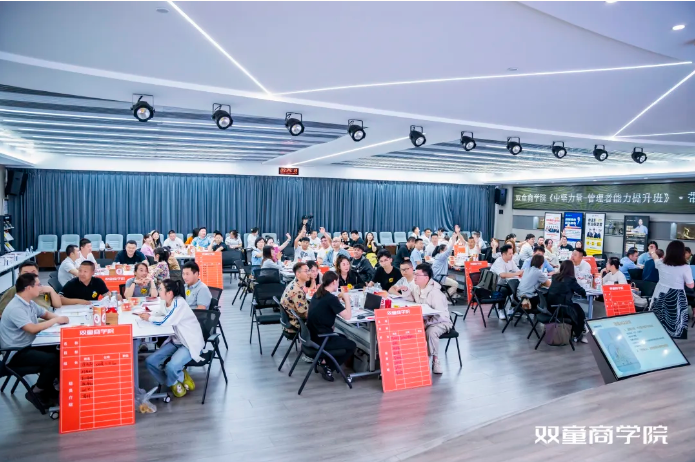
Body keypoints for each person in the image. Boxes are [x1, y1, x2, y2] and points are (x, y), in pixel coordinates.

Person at [0, 273, 69, 409]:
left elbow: (45, 314)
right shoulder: (16, 308)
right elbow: (32, 329)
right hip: (16, 352)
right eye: (38, 285)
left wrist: (60, 319)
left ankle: (51, 389)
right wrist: (56, 320)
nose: (41, 287)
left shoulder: (28, 303)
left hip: (28, 345)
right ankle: (36, 391)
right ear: (28, 288)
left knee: (59, 350)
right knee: (52, 360)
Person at [143, 279, 205, 398]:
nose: (159, 291)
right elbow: (161, 313)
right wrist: (150, 315)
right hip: (176, 340)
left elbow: (166, 320)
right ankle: (176, 380)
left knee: (171, 367)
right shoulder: (165, 302)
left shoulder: (179, 303)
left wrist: (149, 318)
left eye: (161, 289)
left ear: (169, 293)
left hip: (188, 343)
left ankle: (175, 378)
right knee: (150, 362)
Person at [402, 264, 453, 374]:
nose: (414, 277)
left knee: (431, 332)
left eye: (417, 275)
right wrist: (406, 291)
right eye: (414, 274)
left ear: (426, 278)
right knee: (407, 328)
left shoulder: (436, 293)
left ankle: (435, 361)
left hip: (440, 321)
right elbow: (412, 300)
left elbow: (440, 315)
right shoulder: (416, 287)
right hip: (424, 320)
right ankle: (411, 360)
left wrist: (425, 323)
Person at [307, 271, 356, 381]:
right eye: (337, 282)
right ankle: (329, 367)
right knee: (352, 345)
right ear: (334, 282)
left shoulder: (318, 294)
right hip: (321, 338)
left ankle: (324, 360)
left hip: (312, 335)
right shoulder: (330, 298)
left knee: (343, 338)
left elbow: (327, 307)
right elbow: (348, 316)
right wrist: (346, 299)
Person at [651, 240, 695, 339]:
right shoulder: (685, 267)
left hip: (660, 293)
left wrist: (653, 251)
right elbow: (690, 285)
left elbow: (655, 257)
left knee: (659, 319)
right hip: (676, 296)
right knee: (675, 323)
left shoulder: (661, 263)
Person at [546, 261, 588, 343]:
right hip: (562, 308)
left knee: (576, 307)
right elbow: (582, 292)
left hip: (550, 307)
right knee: (579, 311)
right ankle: (578, 334)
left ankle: (578, 331)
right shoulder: (571, 280)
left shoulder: (554, 277)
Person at [280, 262, 310, 336]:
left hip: (290, 321)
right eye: (306, 271)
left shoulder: (294, 284)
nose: (309, 273)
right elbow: (304, 314)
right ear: (298, 274)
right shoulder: (297, 291)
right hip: (296, 324)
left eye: (308, 270)